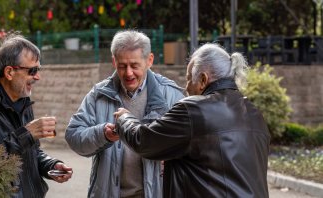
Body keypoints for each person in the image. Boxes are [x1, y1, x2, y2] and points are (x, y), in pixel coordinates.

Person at [114, 43, 270, 198]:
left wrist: (124, 118)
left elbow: (144, 140)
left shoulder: (194, 110)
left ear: (203, 79)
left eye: (188, 79)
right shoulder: (255, 113)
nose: (186, 87)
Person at [65, 30, 184, 198]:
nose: (128, 73)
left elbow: (193, 145)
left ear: (149, 60)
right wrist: (102, 134)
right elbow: (73, 136)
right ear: (114, 61)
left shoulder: (172, 95)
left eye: (134, 65)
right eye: (122, 66)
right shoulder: (98, 94)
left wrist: (172, 156)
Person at [0, 33, 73, 198]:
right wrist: (26, 135)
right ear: (10, 72)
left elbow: (30, 153)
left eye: (38, 69)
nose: (38, 77)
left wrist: (51, 166)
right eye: (32, 70)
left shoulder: (23, 100)